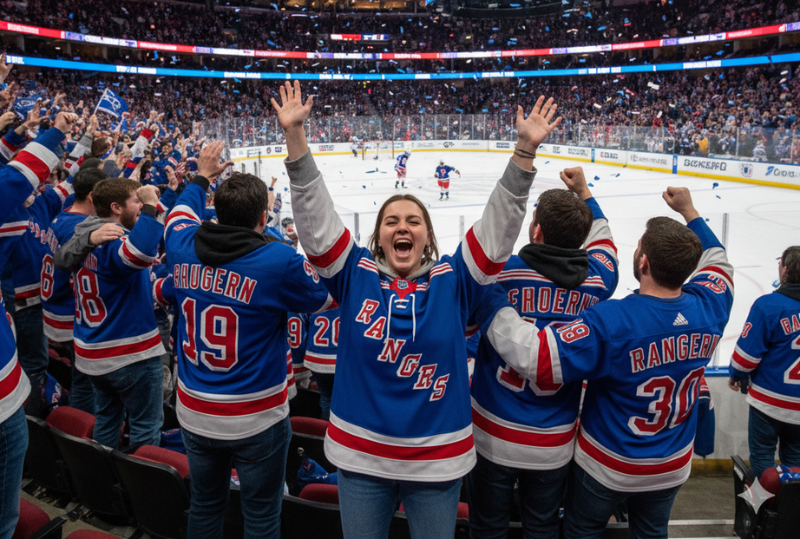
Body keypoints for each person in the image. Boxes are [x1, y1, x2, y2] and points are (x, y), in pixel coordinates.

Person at [272, 80, 561, 539]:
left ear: (427, 237)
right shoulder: (355, 274)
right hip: (360, 455)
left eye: (413, 221)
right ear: (378, 236)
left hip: (437, 460)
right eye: (392, 221)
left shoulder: (454, 281)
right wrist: (295, 139)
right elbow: (317, 222)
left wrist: (524, 151)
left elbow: (496, 230)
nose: (402, 227)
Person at [472, 187, 734, 539]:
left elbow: (540, 357)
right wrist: (689, 212)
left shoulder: (612, 320)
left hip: (602, 460)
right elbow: (719, 262)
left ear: (642, 262)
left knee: (568, 530)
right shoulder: (710, 307)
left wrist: (490, 301)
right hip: (667, 463)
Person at [162, 141, 333, 539]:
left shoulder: (181, 245)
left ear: (216, 212)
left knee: (205, 504)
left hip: (194, 409)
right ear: (263, 216)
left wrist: (200, 176)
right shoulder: (279, 262)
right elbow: (327, 295)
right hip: (256, 418)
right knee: (260, 515)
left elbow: (179, 215)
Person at [467, 167, 619, 539]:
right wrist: (585, 192)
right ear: (580, 241)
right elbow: (606, 247)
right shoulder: (599, 282)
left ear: (536, 231)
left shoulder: (498, 276)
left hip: (492, 431)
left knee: (486, 527)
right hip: (554, 440)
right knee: (542, 527)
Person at [0, 105, 77, 539]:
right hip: (22, 325)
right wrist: (53, 133)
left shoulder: (44, 207)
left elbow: (38, 180)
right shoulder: (19, 206)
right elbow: (14, 178)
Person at [54, 177, 165, 449]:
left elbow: (62, 258)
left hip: (92, 350)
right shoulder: (113, 239)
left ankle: (103, 486)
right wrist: (150, 205)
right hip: (127, 351)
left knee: (106, 420)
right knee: (145, 426)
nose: (140, 206)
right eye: (135, 201)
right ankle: (139, 491)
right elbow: (140, 253)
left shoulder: (85, 234)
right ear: (116, 207)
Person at [729, 246, 800, 477]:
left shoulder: (768, 305)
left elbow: (744, 360)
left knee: (762, 457)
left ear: (785, 269)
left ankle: (764, 510)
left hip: (769, 403)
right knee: (796, 461)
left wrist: (736, 375)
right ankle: (791, 512)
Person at [46, 165, 110, 414]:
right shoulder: (82, 227)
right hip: (69, 315)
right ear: (94, 195)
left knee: (81, 378)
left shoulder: (62, 216)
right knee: (86, 381)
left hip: (55, 308)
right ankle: (80, 431)